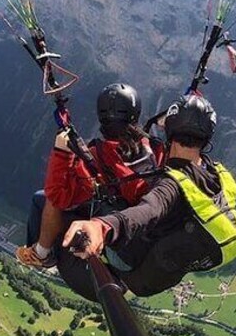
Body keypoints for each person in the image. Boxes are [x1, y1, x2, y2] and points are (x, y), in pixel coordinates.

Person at [57, 93, 236, 302]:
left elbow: (147, 211)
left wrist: (101, 226)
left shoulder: (173, 185)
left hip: (135, 270)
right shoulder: (220, 175)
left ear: (170, 130)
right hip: (167, 272)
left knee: (84, 208)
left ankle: (45, 252)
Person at [16, 83, 164, 269]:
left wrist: (62, 153)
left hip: (123, 254)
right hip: (151, 236)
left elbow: (58, 196)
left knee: (43, 198)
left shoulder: (98, 157)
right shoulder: (153, 148)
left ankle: (41, 254)